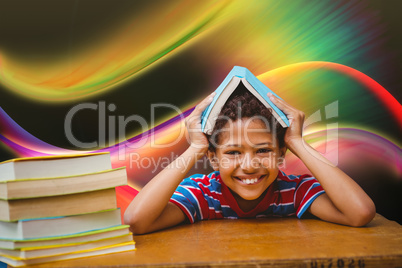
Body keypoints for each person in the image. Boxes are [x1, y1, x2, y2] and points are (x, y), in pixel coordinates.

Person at [124, 90, 376, 234]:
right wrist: (196, 147)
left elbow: (360, 213)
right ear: (213, 158)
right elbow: (136, 221)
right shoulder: (202, 194)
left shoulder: (295, 191)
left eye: (263, 150)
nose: (249, 165)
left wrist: (297, 142)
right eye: (233, 152)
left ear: (280, 153)